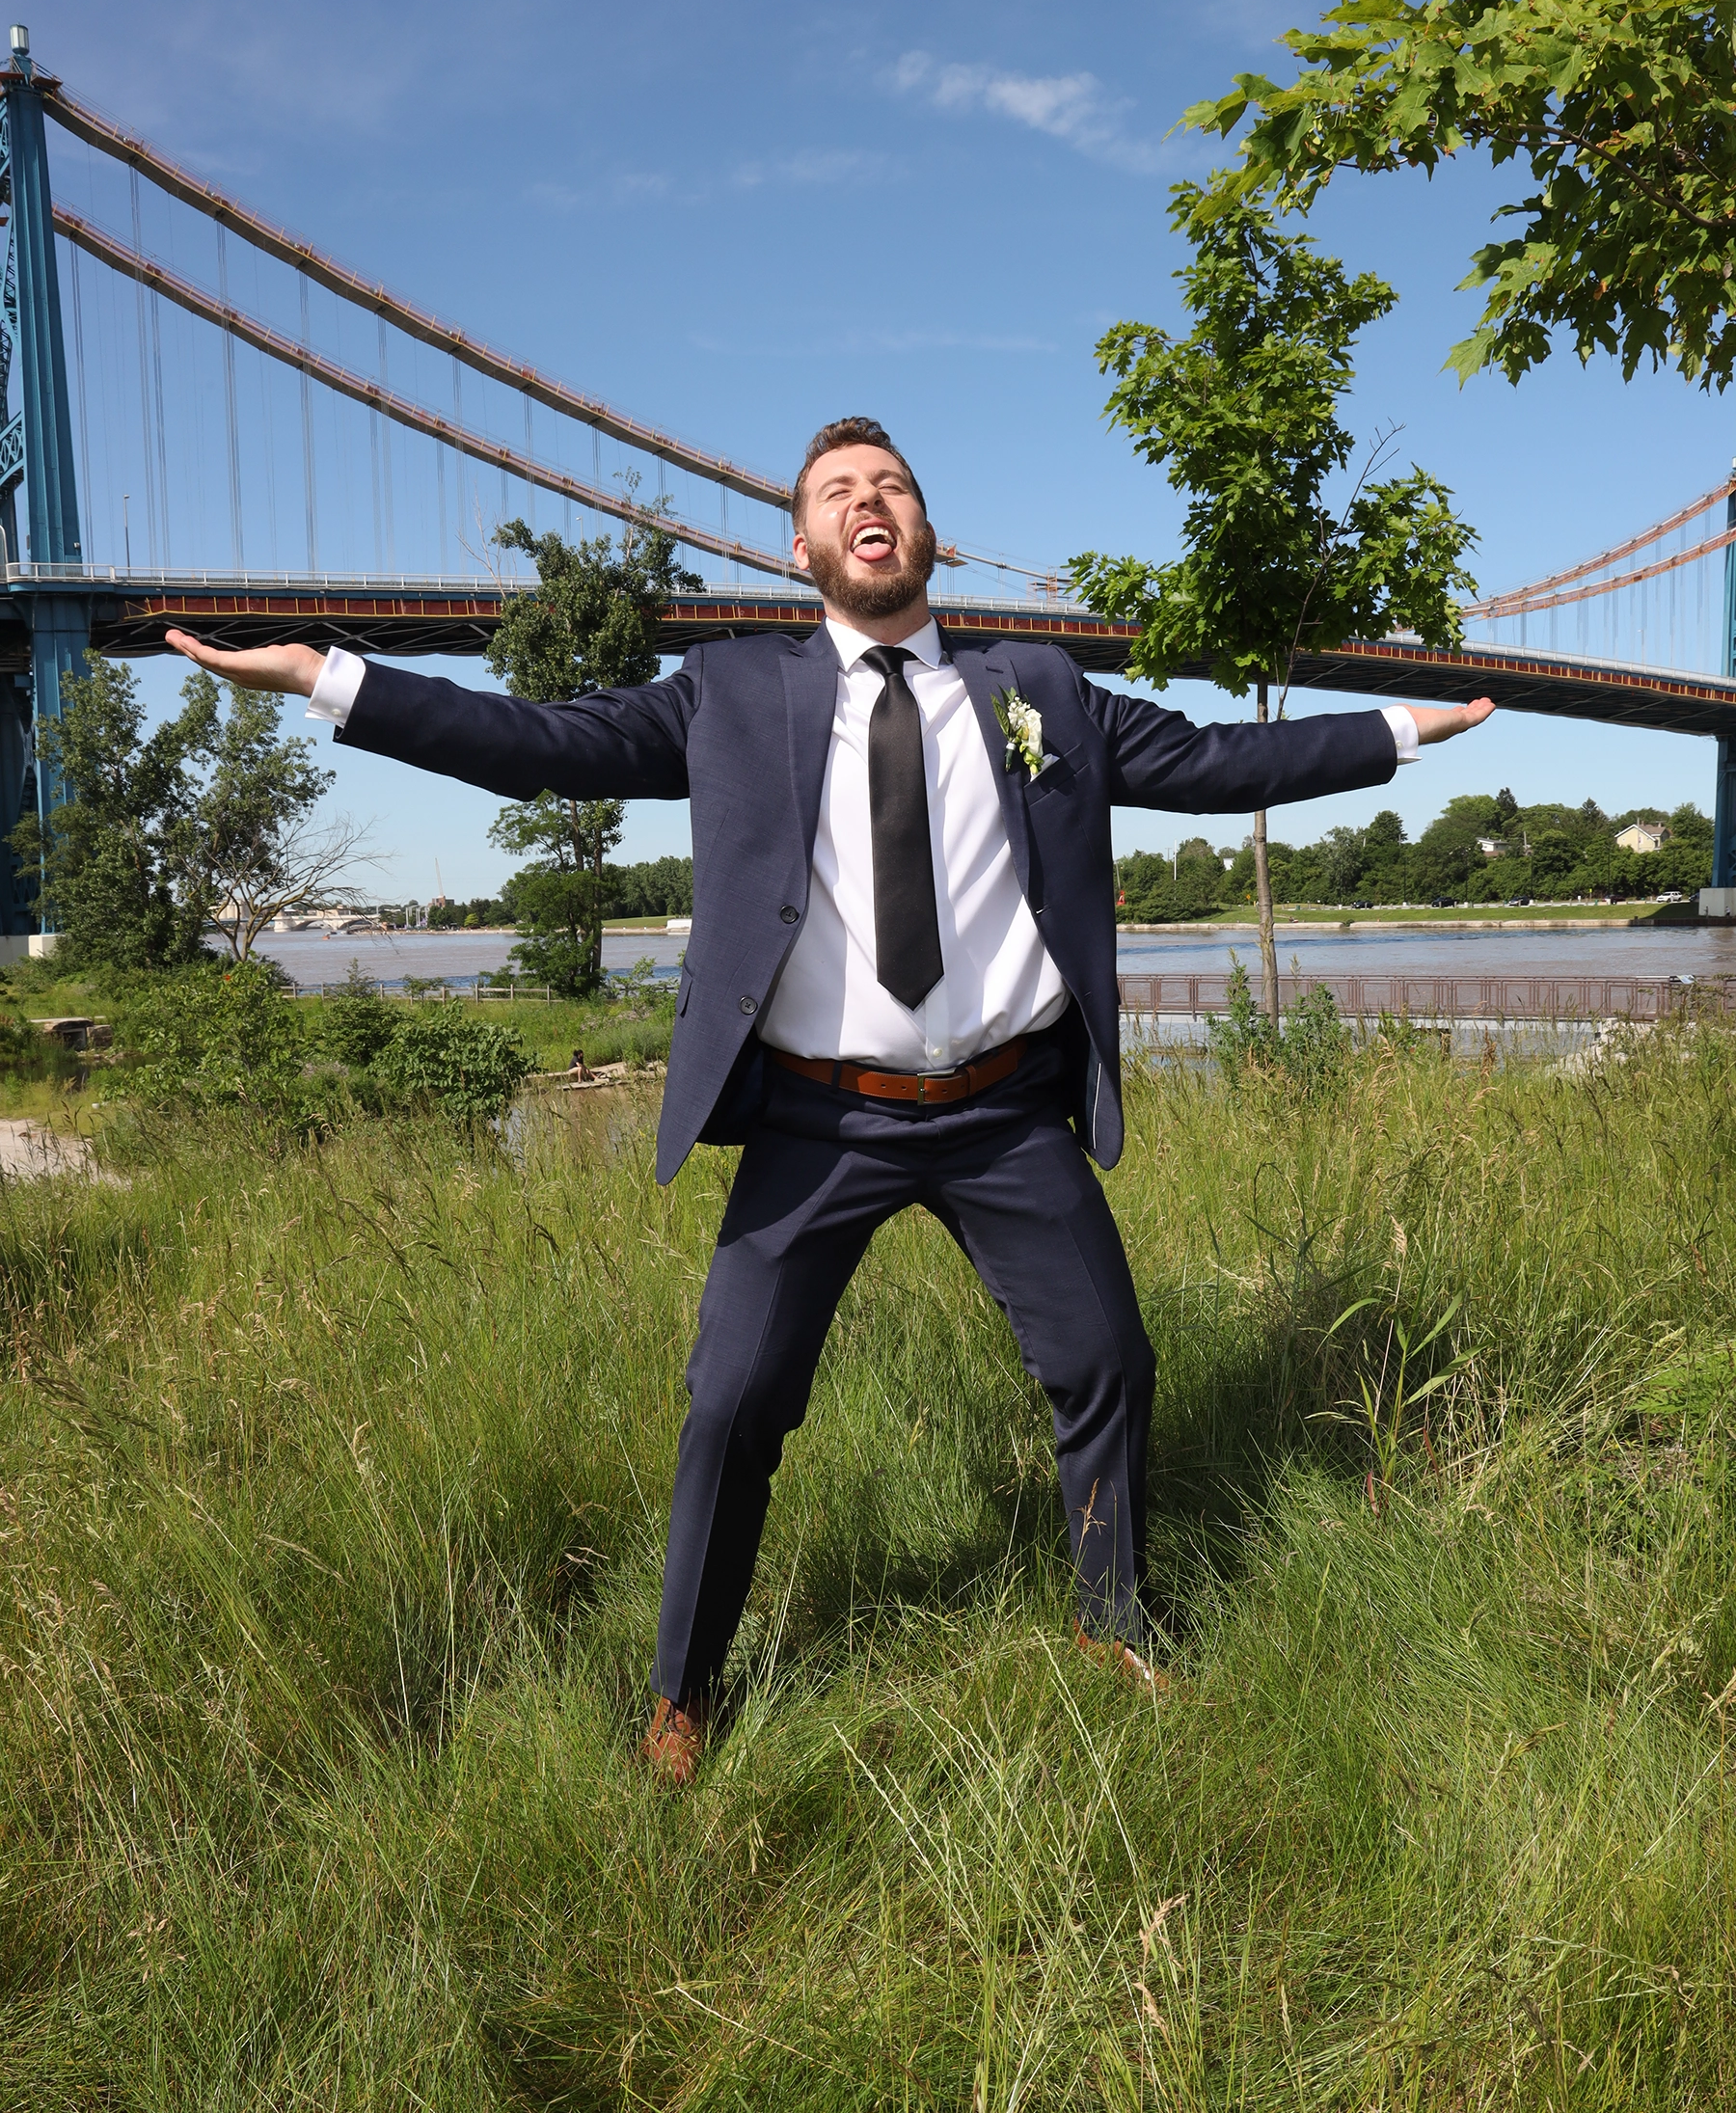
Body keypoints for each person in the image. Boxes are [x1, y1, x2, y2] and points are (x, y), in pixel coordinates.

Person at [169, 416, 1492, 1783]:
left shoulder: (1035, 684)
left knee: (1108, 1366)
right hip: (819, 1119)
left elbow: (1220, 766)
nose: (871, 502)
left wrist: (1401, 729)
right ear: (800, 548)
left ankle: (1112, 1628)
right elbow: (531, 744)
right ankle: (684, 1695)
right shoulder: (728, 693)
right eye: (839, 493)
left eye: (895, 486)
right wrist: (334, 678)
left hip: (1003, 1111)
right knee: (732, 1401)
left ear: (931, 536)